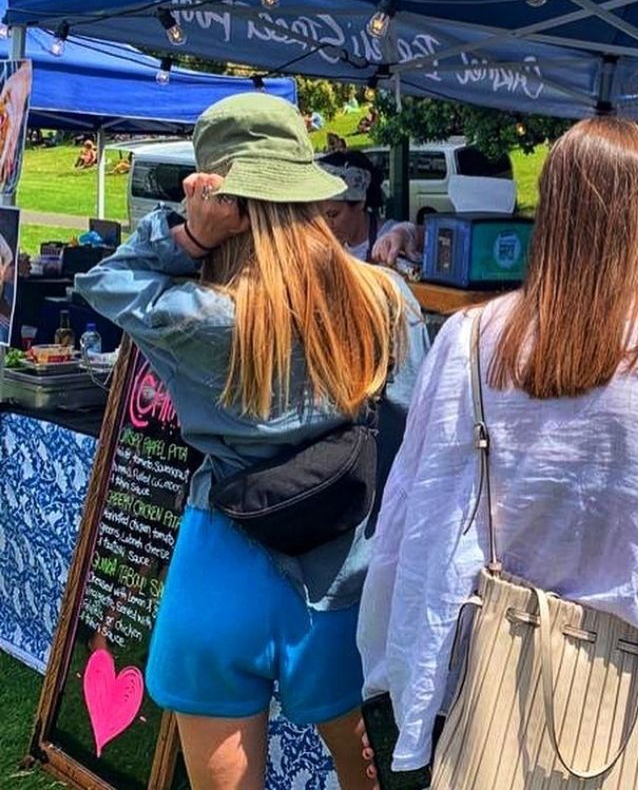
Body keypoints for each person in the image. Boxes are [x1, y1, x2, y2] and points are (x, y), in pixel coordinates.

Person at [359, 117, 638, 786]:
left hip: (491, 691)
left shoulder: (472, 339)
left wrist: (417, 688)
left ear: (551, 212)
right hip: (636, 707)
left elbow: (420, 527)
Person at [75, 94, 427, 790]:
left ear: (220, 196)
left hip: (222, 560)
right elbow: (409, 442)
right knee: (358, 770)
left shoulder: (201, 315)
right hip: (337, 570)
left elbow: (105, 281)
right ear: (307, 189)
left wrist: (190, 238)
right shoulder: (386, 299)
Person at [316, 149, 421, 267]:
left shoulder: (388, 236)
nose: (327, 225)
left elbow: (423, 235)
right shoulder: (328, 245)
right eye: (320, 216)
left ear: (360, 203)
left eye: (333, 215)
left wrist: (405, 232)